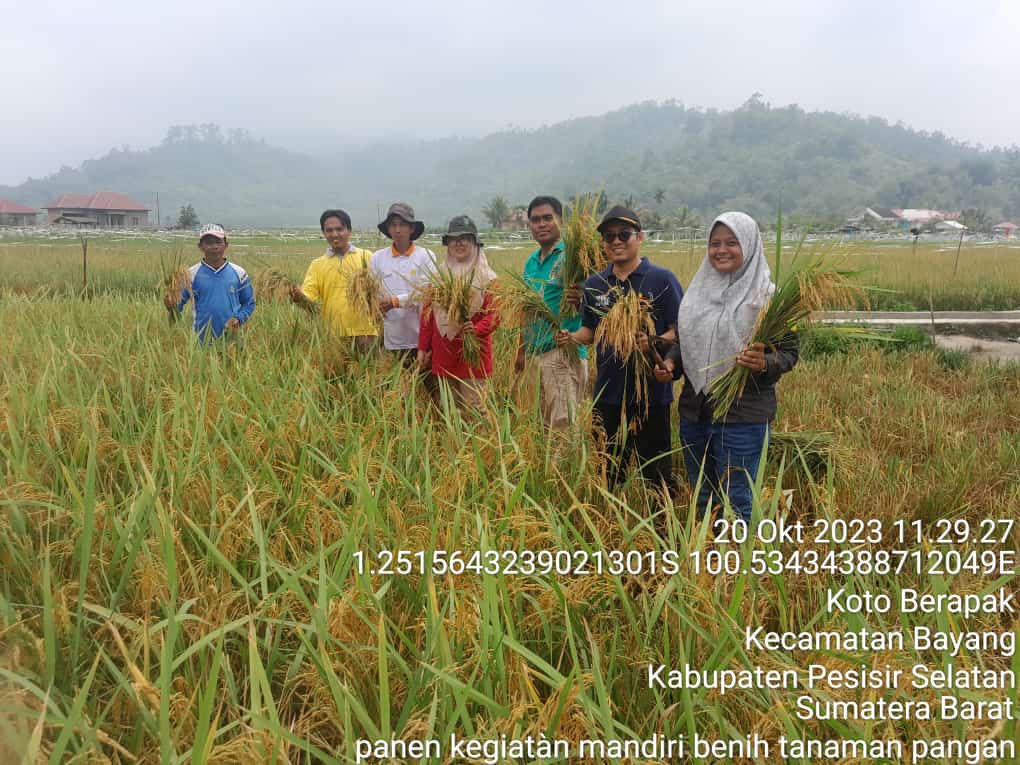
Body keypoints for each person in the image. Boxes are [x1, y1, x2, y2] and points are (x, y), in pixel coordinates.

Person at [655, 211, 799, 527]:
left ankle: (736, 569)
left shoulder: (766, 298)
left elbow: (789, 353)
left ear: (748, 245)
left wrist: (765, 363)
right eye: (715, 243)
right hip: (695, 412)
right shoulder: (696, 295)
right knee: (703, 496)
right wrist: (671, 363)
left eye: (731, 243)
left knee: (738, 499)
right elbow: (686, 342)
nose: (721, 250)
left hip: (742, 415)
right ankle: (707, 563)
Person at [556, 205, 682, 493]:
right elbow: (591, 330)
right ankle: (610, 521)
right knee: (607, 466)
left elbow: (679, 329)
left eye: (624, 234)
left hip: (651, 392)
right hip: (608, 391)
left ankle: (663, 528)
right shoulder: (595, 285)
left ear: (640, 238)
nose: (616, 241)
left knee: (656, 470)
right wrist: (571, 337)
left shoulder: (662, 280)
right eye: (609, 236)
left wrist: (653, 341)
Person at [515, 195, 588, 432]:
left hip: (563, 353)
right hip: (535, 354)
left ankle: (567, 470)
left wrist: (580, 300)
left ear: (560, 220)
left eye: (548, 218)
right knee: (542, 425)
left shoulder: (574, 256)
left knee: (564, 426)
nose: (541, 224)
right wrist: (521, 351)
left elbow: (596, 302)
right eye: (535, 220)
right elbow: (524, 310)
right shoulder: (531, 262)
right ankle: (547, 470)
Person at [417, 215, 500, 415]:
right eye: (454, 239)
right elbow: (427, 317)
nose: (459, 243)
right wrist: (422, 348)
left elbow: (496, 314)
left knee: (476, 412)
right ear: (447, 244)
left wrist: (476, 329)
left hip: (473, 357)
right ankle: (453, 447)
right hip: (444, 355)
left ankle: (482, 447)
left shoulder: (488, 279)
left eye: (465, 238)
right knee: (450, 412)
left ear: (474, 243)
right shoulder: (438, 278)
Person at [291, 209, 377, 351]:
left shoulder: (366, 257)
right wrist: (298, 296)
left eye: (339, 229)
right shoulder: (317, 265)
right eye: (329, 230)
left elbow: (379, 292)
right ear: (324, 233)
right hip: (333, 334)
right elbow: (309, 299)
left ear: (349, 231)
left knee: (370, 372)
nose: (334, 234)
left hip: (366, 333)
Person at [165, 223, 255, 342]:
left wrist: (239, 319)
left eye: (218, 242)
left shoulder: (239, 273)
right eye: (209, 243)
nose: (214, 246)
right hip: (200, 341)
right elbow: (177, 309)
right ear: (200, 246)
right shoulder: (189, 275)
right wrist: (171, 306)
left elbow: (249, 303)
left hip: (233, 340)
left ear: (226, 245)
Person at [370, 202, 434, 363]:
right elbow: (373, 293)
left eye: (402, 224)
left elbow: (426, 293)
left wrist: (395, 301)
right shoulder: (377, 258)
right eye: (393, 225)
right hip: (391, 338)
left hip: (420, 338)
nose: (397, 230)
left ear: (411, 228)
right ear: (388, 229)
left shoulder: (425, 256)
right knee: (396, 385)